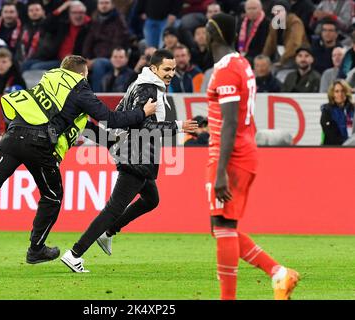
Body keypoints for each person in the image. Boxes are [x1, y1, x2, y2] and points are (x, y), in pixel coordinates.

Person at [0, 55, 157, 265]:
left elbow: (80, 125)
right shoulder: (79, 88)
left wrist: (110, 143)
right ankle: (36, 249)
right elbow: (110, 117)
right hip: (38, 145)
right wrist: (142, 113)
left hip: (12, 135)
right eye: (86, 74)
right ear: (81, 74)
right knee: (52, 196)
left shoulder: (48, 81)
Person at [60, 49, 198, 273]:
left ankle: (108, 232)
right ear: (154, 69)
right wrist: (178, 126)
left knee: (151, 199)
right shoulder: (148, 89)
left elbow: (127, 116)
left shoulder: (143, 83)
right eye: (167, 69)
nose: (171, 73)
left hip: (136, 151)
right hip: (136, 153)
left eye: (173, 69)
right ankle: (74, 253)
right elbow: (146, 127)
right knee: (114, 208)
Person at [204, 13, 299, 300]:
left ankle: (228, 297)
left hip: (231, 157)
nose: (204, 32)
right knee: (219, 226)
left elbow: (231, 122)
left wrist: (221, 170)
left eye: (207, 28)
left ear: (214, 34)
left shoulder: (227, 71)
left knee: (224, 226)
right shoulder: (240, 63)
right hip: (237, 153)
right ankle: (278, 273)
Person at [21, 1, 91, 71]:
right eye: (74, 13)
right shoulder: (64, 24)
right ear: (69, 14)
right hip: (56, 59)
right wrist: (61, 8)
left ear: (85, 14)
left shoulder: (88, 26)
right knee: (26, 65)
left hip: (73, 62)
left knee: (36, 68)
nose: (77, 16)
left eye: (81, 13)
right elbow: (45, 25)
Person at [82, 0, 130, 92]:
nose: (104, 6)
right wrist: (86, 59)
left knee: (99, 64)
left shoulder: (119, 20)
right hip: (94, 59)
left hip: (112, 59)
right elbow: (88, 42)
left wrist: (95, 60)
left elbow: (118, 45)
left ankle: (98, 98)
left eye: (106, 3)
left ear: (112, 5)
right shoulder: (95, 20)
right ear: (98, 5)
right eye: (101, 3)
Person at [262, 0, 309, 69]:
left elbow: (294, 44)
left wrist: (282, 60)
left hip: (295, 55)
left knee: (277, 70)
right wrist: (264, 58)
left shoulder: (295, 23)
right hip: (278, 54)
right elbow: (269, 43)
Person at [320, 79, 354, 145]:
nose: (340, 94)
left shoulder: (353, 109)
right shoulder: (327, 111)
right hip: (334, 149)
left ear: (346, 92)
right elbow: (330, 134)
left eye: (342, 91)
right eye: (337, 91)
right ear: (332, 94)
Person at [237, 0, 270, 65]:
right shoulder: (242, 22)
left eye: (254, 8)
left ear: (261, 8)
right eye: (249, 9)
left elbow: (262, 45)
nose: (251, 11)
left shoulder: (267, 23)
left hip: (258, 56)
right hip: (241, 53)